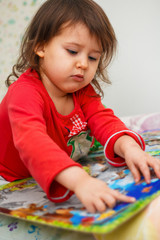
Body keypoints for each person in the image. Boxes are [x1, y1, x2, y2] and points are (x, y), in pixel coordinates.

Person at [0, 0, 160, 214]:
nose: (84, 64)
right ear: (40, 46)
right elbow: (33, 142)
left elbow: (103, 119)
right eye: (73, 51)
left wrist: (130, 148)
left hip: (62, 159)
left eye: (93, 57)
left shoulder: (83, 90)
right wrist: (80, 181)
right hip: (14, 175)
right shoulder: (24, 93)